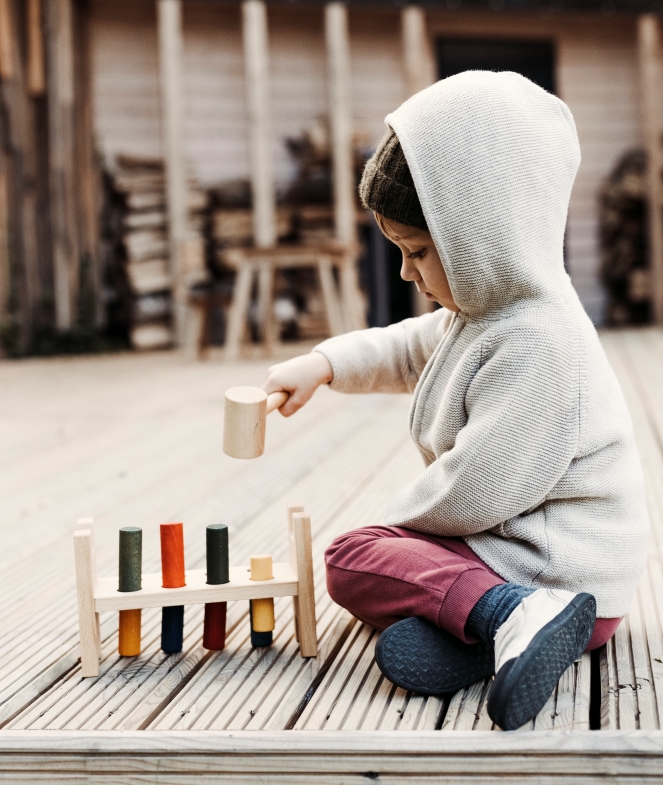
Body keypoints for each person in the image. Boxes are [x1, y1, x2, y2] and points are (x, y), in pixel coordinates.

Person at [263, 71, 649, 731]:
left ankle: (511, 614)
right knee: (394, 586)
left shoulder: (537, 339)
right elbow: (415, 349)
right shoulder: (486, 309)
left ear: (482, 234)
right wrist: (325, 364)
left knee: (353, 558)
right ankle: (500, 638)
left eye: (417, 251)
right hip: (528, 563)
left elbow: (478, 487)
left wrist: (395, 533)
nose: (406, 272)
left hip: (559, 572)